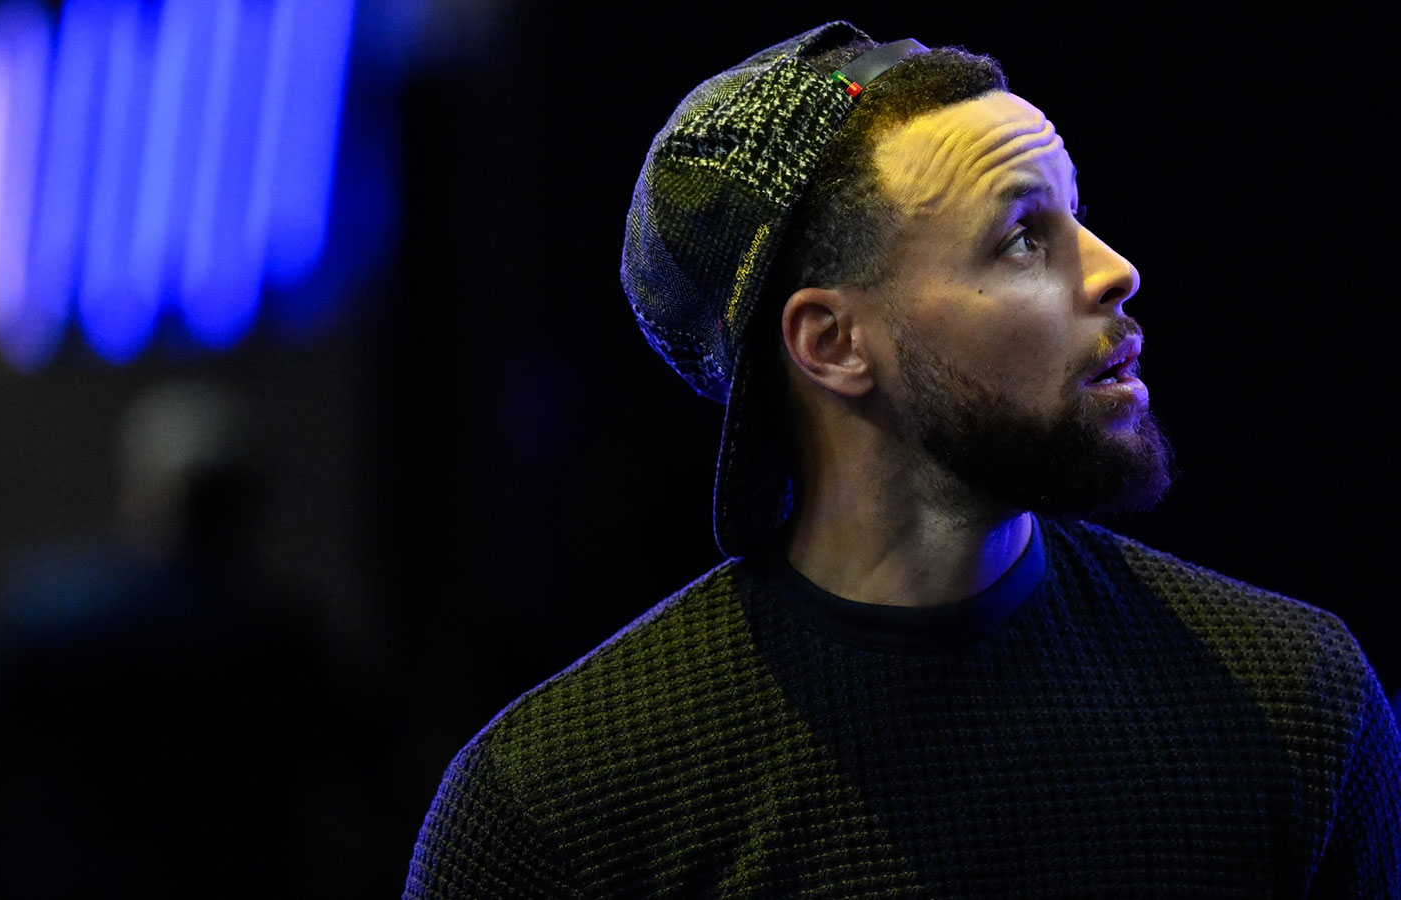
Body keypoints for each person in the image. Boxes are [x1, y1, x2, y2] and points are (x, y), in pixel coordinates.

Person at [404, 21, 1401, 898]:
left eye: (1076, 214)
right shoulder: (561, 808)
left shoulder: (1294, 704)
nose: (1114, 269)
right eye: (1022, 238)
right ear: (833, 343)